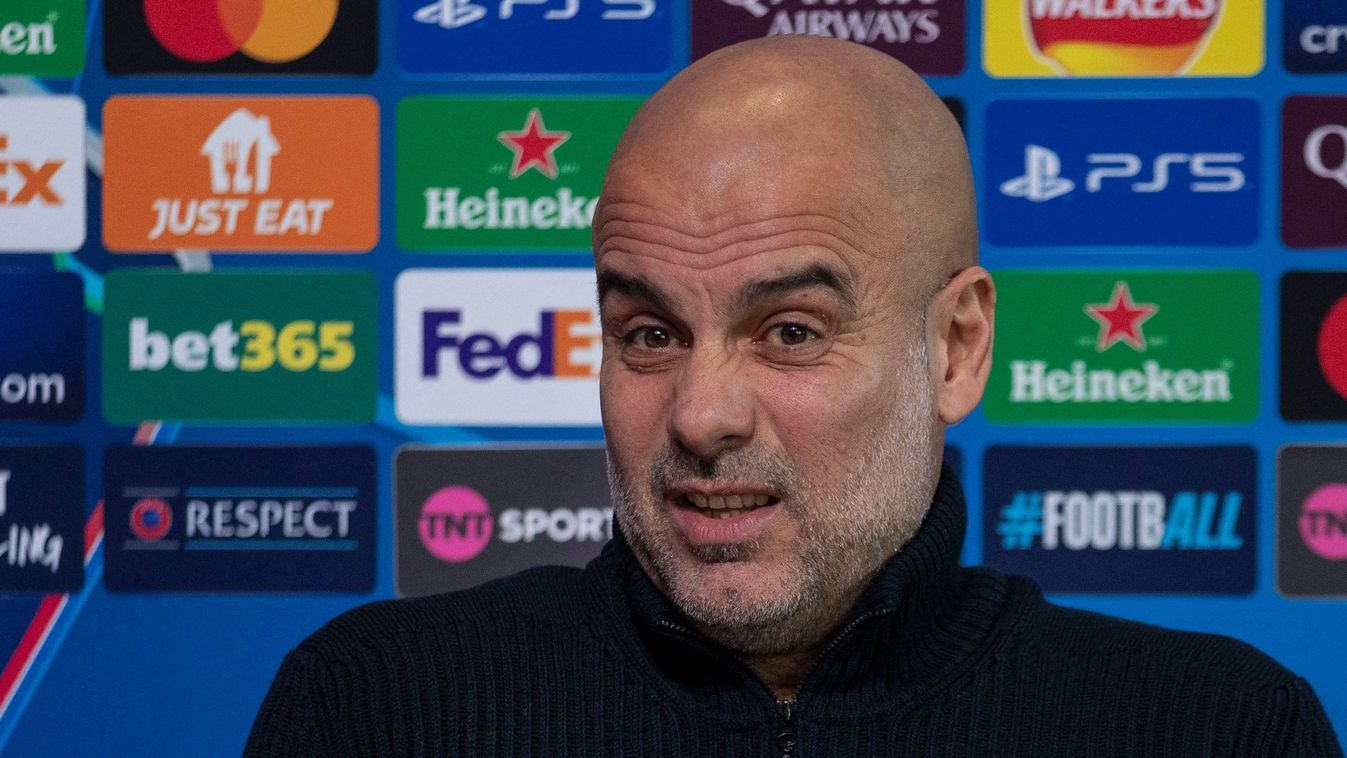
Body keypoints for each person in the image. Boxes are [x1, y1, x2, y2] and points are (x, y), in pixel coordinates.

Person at [246, 37, 1342, 756]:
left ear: (957, 347)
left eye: (791, 331)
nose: (700, 412)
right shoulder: (376, 709)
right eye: (648, 332)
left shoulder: (1219, 729)